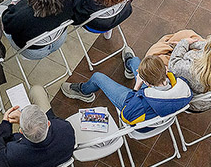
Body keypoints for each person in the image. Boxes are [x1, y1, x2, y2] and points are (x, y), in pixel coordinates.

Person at [0, 85, 75, 167]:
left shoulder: (12, 154)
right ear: (48, 123)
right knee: (37, 90)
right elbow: (55, 122)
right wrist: (31, 121)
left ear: (21, 131)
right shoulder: (66, 129)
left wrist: (5, 124)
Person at [63, 52, 192, 130]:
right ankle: (130, 66)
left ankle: (84, 92)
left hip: (143, 115)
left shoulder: (141, 100)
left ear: (146, 83)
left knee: (98, 77)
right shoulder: (182, 86)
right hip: (162, 104)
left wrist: (136, 87)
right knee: (136, 61)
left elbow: (126, 116)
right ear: (165, 69)